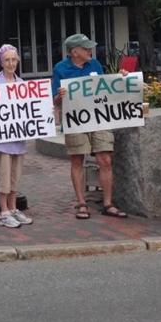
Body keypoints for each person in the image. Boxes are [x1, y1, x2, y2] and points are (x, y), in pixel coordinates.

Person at [52, 34, 128, 220]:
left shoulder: (95, 65)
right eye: (85, 48)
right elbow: (54, 101)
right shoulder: (60, 69)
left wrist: (121, 79)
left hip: (98, 117)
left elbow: (104, 89)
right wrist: (59, 97)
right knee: (77, 160)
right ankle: (81, 203)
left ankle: (108, 203)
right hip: (76, 119)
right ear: (74, 51)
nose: (89, 51)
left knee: (105, 158)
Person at [0, 44, 33, 228]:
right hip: (1, 141)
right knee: (3, 178)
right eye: (7, 60)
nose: (11, 63)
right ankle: (3, 212)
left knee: (15, 177)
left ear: (18, 60)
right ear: (1, 62)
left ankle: (13, 209)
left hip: (18, 141)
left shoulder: (21, 84)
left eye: (14, 59)